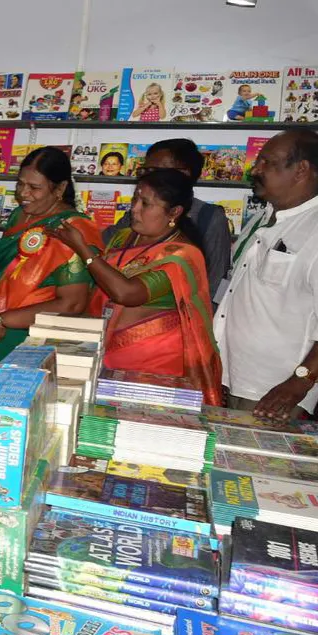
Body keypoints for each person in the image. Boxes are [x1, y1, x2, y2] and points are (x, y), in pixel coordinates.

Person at [51, 169, 222, 405]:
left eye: (146, 204)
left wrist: (84, 250)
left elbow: (126, 293)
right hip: (106, 357)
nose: (134, 209)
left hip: (153, 370)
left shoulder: (180, 255)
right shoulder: (123, 238)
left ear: (174, 212)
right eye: (134, 200)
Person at [0, 146, 102, 381]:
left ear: (60, 189)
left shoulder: (74, 228)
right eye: (20, 184)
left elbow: (72, 303)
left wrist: (4, 319)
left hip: (30, 336)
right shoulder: (19, 215)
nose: (23, 193)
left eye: (34, 187)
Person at [216, 129, 318, 421]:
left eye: (267, 162)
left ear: (301, 171)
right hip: (233, 378)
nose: (255, 169)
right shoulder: (264, 218)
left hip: (275, 393)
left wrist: (299, 382)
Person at [104, 138, 232, 299]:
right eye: (145, 171)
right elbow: (105, 248)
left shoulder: (209, 217)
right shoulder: (136, 212)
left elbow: (213, 284)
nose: (147, 177)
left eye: (155, 171)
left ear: (184, 174)